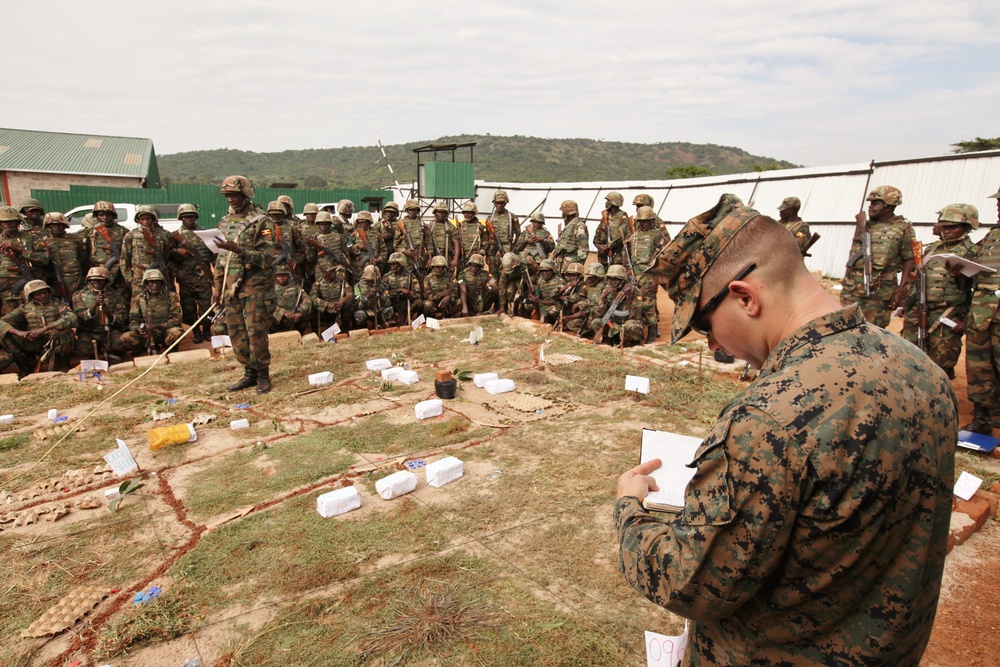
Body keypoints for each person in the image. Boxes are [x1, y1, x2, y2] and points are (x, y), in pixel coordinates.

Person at [617, 200, 956, 665]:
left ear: (745, 297)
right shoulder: (921, 368)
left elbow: (688, 582)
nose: (712, 343)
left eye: (704, 324)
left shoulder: (768, 418)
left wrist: (629, 507)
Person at [212, 175, 275, 394]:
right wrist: (217, 287)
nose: (230, 199)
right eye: (227, 195)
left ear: (245, 194)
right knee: (236, 333)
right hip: (231, 288)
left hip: (254, 287)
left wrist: (240, 251)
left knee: (255, 332)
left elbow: (268, 258)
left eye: (234, 195)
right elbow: (221, 259)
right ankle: (249, 372)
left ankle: (263, 375)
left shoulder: (262, 222)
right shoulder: (225, 222)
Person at [900, 204, 977, 380]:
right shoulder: (931, 249)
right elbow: (919, 280)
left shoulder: (972, 252)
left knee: (941, 367)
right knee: (909, 358)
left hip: (948, 317)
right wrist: (908, 304)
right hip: (919, 312)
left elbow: (978, 289)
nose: (947, 231)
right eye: (944, 227)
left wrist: (966, 320)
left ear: (968, 227)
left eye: (953, 227)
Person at [840, 186, 915, 326]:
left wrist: (901, 291)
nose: (871, 207)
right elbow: (853, 256)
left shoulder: (903, 229)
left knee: (872, 334)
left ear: (889, 206)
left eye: (876, 203)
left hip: (880, 295)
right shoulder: (865, 225)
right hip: (852, 290)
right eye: (870, 203)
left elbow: (909, 261)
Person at [963, 185, 1000, 434]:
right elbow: (974, 262)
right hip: (981, 314)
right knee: (978, 368)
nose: (998, 205)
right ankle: (982, 419)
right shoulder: (992, 236)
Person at [0, 279, 77, 375]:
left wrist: (45, 329)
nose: (43, 296)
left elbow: (72, 318)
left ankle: (64, 365)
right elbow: (2, 322)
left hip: (56, 341)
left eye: (44, 292)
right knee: (5, 335)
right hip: (34, 342)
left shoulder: (59, 304)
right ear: (31, 296)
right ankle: (25, 366)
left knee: (66, 331)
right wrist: (19, 333)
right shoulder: (24, 308)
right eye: (38, 294)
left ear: (49, 292)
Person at [171, 204, 215, 343]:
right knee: (189, 308)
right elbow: (168, 255)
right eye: (185, 217)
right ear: (181, 218)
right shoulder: (175, 235)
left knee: (206, 307)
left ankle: (207, 330)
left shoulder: (204, 233)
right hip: (185, 279)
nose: (189, 219)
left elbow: (213, 255)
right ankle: (195, 331)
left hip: (204, 279)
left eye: (191, 216)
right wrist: (178, 252)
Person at [0, 205, 51, 315]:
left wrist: (19, 249)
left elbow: (45, 259)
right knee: (9, 321)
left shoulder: (32, 238)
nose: (8, 224)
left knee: (34, 318)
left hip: (30, 287)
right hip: (5, 291)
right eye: (4, 221)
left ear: (19, 222)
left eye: (12, 221)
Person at [72, 266, 130, 361]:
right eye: (93, 280)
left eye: (100, 280)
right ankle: (95, 353)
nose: (96, 283)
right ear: (88, 281)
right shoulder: (79, 295)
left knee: (120, 344)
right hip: (89, 331)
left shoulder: (116, 296)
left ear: (107, 281)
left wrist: (107, 312)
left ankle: (113, 353)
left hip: (109, 330)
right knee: (82, 349)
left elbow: (121, 318)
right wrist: (94, 306)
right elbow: (80, 316)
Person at [120, 269, 183, 355]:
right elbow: (133, 320)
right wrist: (139, 329)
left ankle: (170, 347)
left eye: (158, 282)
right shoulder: (139, 299)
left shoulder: (171, 297)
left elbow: (176, 319)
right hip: (146, 334)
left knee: (177, 332)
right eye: (151, 282)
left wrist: (157, 326)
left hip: (165, 331)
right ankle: (143, 347)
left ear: (162, 282)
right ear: (146, 283)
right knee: (125, 337)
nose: (155, 285)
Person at [122, 205, 173, 294]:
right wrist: (129, 278)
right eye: (142, 219)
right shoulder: (131, 235)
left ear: (153, 219)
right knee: (139, 299)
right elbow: (124, 258)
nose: (145, 221)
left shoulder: (163, 235)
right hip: (139, 275)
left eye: (148, 218)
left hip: (158, 273)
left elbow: (168, 255)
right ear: (138, 220)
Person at [42, 213, 86, 299]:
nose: (57, 227)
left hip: (75, 278)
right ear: (48, 226)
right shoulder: (44, 242)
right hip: (54, 279)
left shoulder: (75, 239)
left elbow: (84, 258)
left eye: (60, 225)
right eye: (53, 225)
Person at [550, 200, 589, 272]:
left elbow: (583, 250)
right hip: (562, 266)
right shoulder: (569, 226)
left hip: (571, 269)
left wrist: (577, 270)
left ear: (566, 213)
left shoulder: (579, 226)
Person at [383, 252, 421, 325]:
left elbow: (418, 294)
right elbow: (384, 293)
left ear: (401, 265)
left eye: (394, 264)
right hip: (393, 303)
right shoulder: (387, 277)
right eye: (391, 264)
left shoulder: (411, 276)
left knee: (419, 302)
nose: (391, 266)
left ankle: (410, 317)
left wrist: (410, 294)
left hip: (407, 303)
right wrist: (397, 291)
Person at [270, 266, 311, 333]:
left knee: (307, 312)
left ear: (288, 276)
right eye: (279, 276)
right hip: (278, 317)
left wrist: (300, 312)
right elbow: (269, 305)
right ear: (275, 277)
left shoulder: (296, 287)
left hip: (294, 316)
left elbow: (307, 300)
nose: (282, 278)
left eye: (284, 276)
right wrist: (283, 313)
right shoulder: (270, 289)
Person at [595, 191, 631, 265]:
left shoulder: (622, 216)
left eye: (608, 201)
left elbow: (621, 235)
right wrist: (598, 246)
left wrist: (608, 246)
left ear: (614, 202)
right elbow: (598, 232)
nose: (606, 203)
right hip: (603, 255)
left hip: (617, 255)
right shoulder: (605, 216)